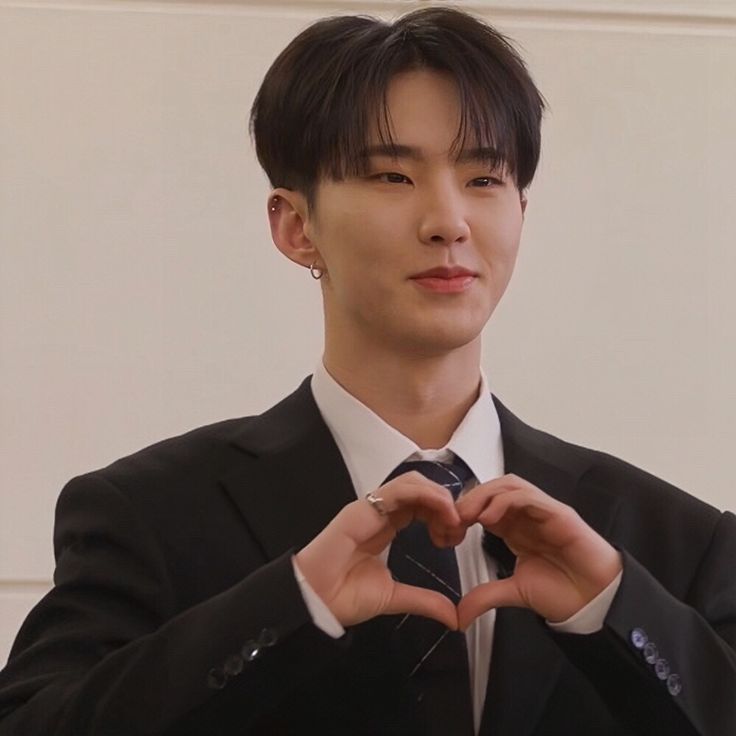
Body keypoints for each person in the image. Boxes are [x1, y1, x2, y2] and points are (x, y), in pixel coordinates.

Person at [0, 6, 734, 736]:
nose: (449, 221)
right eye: (391, 175)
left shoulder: (676, 543)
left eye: (484, 180)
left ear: (521, 212)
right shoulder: (147, 516)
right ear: (295, 225)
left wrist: (615, 609)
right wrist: (289, 608)